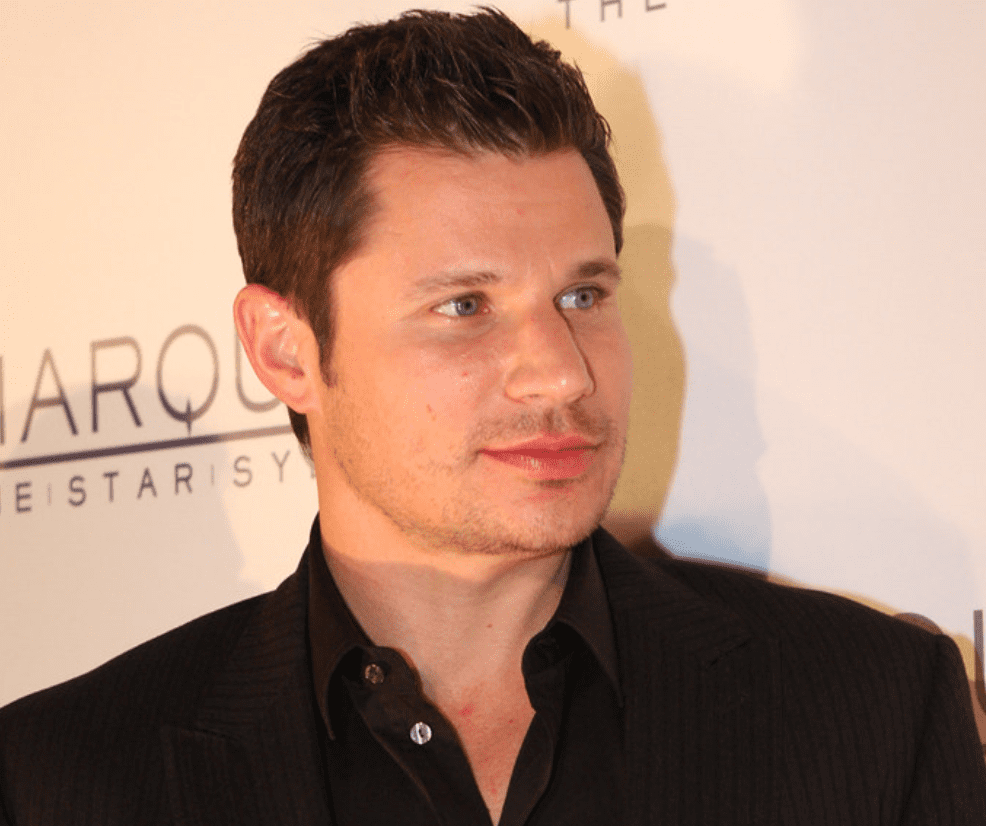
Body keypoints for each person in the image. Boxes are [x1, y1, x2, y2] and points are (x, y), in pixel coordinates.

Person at [1, 8, 984, 825]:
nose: (558, 374)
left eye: (582, 295)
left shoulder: (873, 710)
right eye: (464, 306)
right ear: (285, 350)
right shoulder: (60, 779)